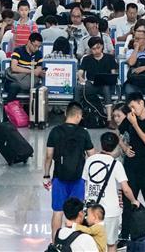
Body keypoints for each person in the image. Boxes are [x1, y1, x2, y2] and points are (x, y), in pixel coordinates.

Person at [44, 101, 95, 240]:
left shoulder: (55, 131)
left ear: (66, 114)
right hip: (78, 178)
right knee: (77, 213)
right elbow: (92, 156)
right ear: (78, 116)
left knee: (57, 211)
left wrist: (46, 175)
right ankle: (75, 241)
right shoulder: (83, 133)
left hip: (59, 177)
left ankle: (55, 243)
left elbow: (49, 156)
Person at [82, 132, 140, 252]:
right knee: (111, 243)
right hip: (111, 211)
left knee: (93, 243)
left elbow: (84, 182)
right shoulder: (116, 164)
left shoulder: (90, 160)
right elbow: (126, 189)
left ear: (101, 144)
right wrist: (134, 201)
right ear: (115, 146)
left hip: (92, 208)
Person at [119, 91, 145, 239]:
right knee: (128, 203)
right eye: (129, 107)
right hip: (131, 168)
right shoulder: (129, 120)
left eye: (133, 106)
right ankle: (125, 235)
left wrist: (135, 124)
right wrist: (125, 148)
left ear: (141, 103)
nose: (132, 110)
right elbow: (117, 135)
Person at [4, 31, 44, 103]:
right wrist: (31, 71)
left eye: (39, 46)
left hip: (29, 81)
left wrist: (40, 72)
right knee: (14, 86)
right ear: (29, 42)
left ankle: (33, 112)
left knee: (39, 90)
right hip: (15, 79)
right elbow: (14, 68)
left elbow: (38, 71)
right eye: (35, 46)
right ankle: (8, 111)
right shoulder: (18, 50)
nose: (37, 48)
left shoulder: (38, 54)